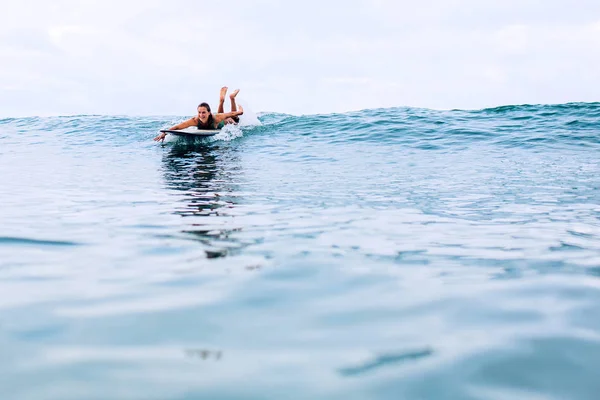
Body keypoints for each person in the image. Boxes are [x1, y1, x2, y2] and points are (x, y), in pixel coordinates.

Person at [153, 98, 243, 142]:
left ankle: (231, 98)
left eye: (203, 112)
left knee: (235, 120)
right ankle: (222, 100)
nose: (201, 115)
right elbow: (178, 126)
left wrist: (240, 111)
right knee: (221, 114)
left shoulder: (216, 117)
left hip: (223, 124)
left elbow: (231, 113)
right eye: (199, 112)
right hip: (215, 124)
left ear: (209, 113)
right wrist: (165, 133)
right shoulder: (195, 120)